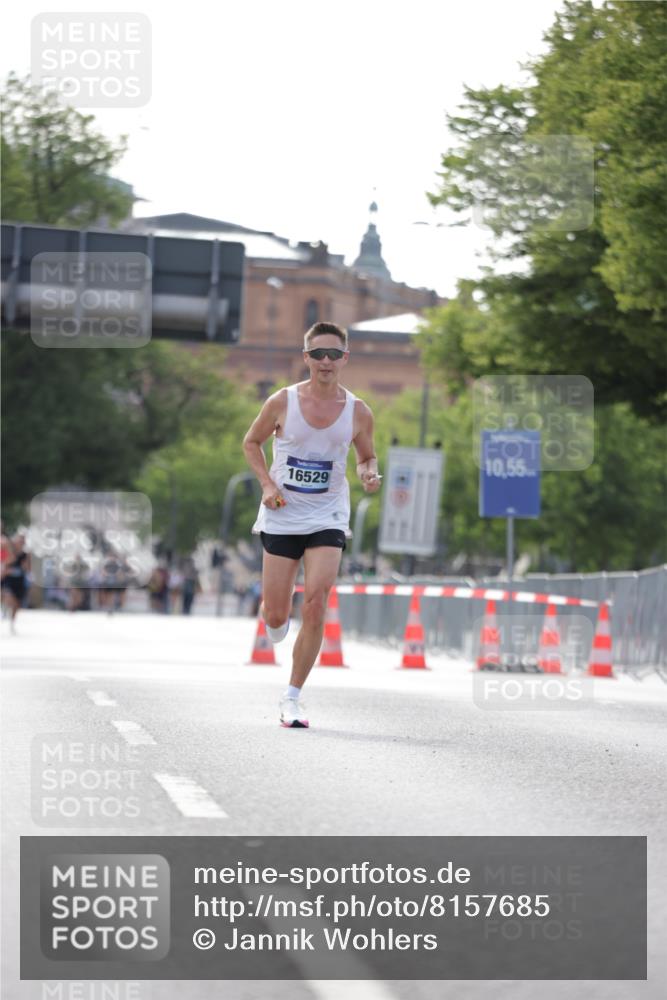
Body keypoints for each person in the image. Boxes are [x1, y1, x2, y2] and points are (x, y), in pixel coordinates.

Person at [242, 321, 381, 728]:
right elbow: (251, 442)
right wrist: (267, 484)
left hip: (328, 514)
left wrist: (368, 473)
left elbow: (366, 456)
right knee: (276, 615)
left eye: (333, 354)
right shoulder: (282, 402)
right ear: (306, 358)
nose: (326, 361)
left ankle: (292, 696)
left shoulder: (358, 411)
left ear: (345, 359)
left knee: (317, 600)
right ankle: (275, 616)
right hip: (283, 512)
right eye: (318, 353)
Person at [1, 533, 31, 633]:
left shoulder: (25, 554)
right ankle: (4, 608)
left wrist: (25, 566)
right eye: (19, 541)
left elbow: (28, 569)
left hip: (19, 581)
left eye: (22, 541)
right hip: (8, 579)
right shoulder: (8, 551)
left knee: (17, 604)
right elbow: (3, 562)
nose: (21, 543)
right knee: (8, 596)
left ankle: (12, 623)